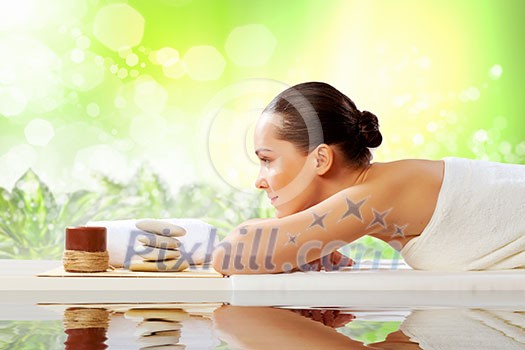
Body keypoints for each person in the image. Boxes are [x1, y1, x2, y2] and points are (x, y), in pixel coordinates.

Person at [211, 82, 525, 275]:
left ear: (320, 159)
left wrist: (299, 243)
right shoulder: (384, 189)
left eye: (267, 160)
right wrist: (305, 245)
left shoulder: (373, 196)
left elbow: (230, 254)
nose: (259, 181)